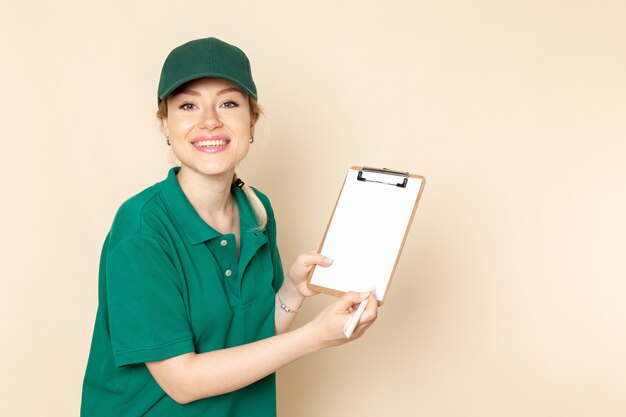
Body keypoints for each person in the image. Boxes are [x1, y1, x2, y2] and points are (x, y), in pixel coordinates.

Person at [80, 37, 378, 417]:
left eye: (228, 103)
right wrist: (316, 337)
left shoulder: (257, 210)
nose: (209, 120)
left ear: (251, 121)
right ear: (166, 124)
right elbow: (182, 382)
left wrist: (293, 290)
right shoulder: (142, 229)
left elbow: (253, 337)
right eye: (188, 105)